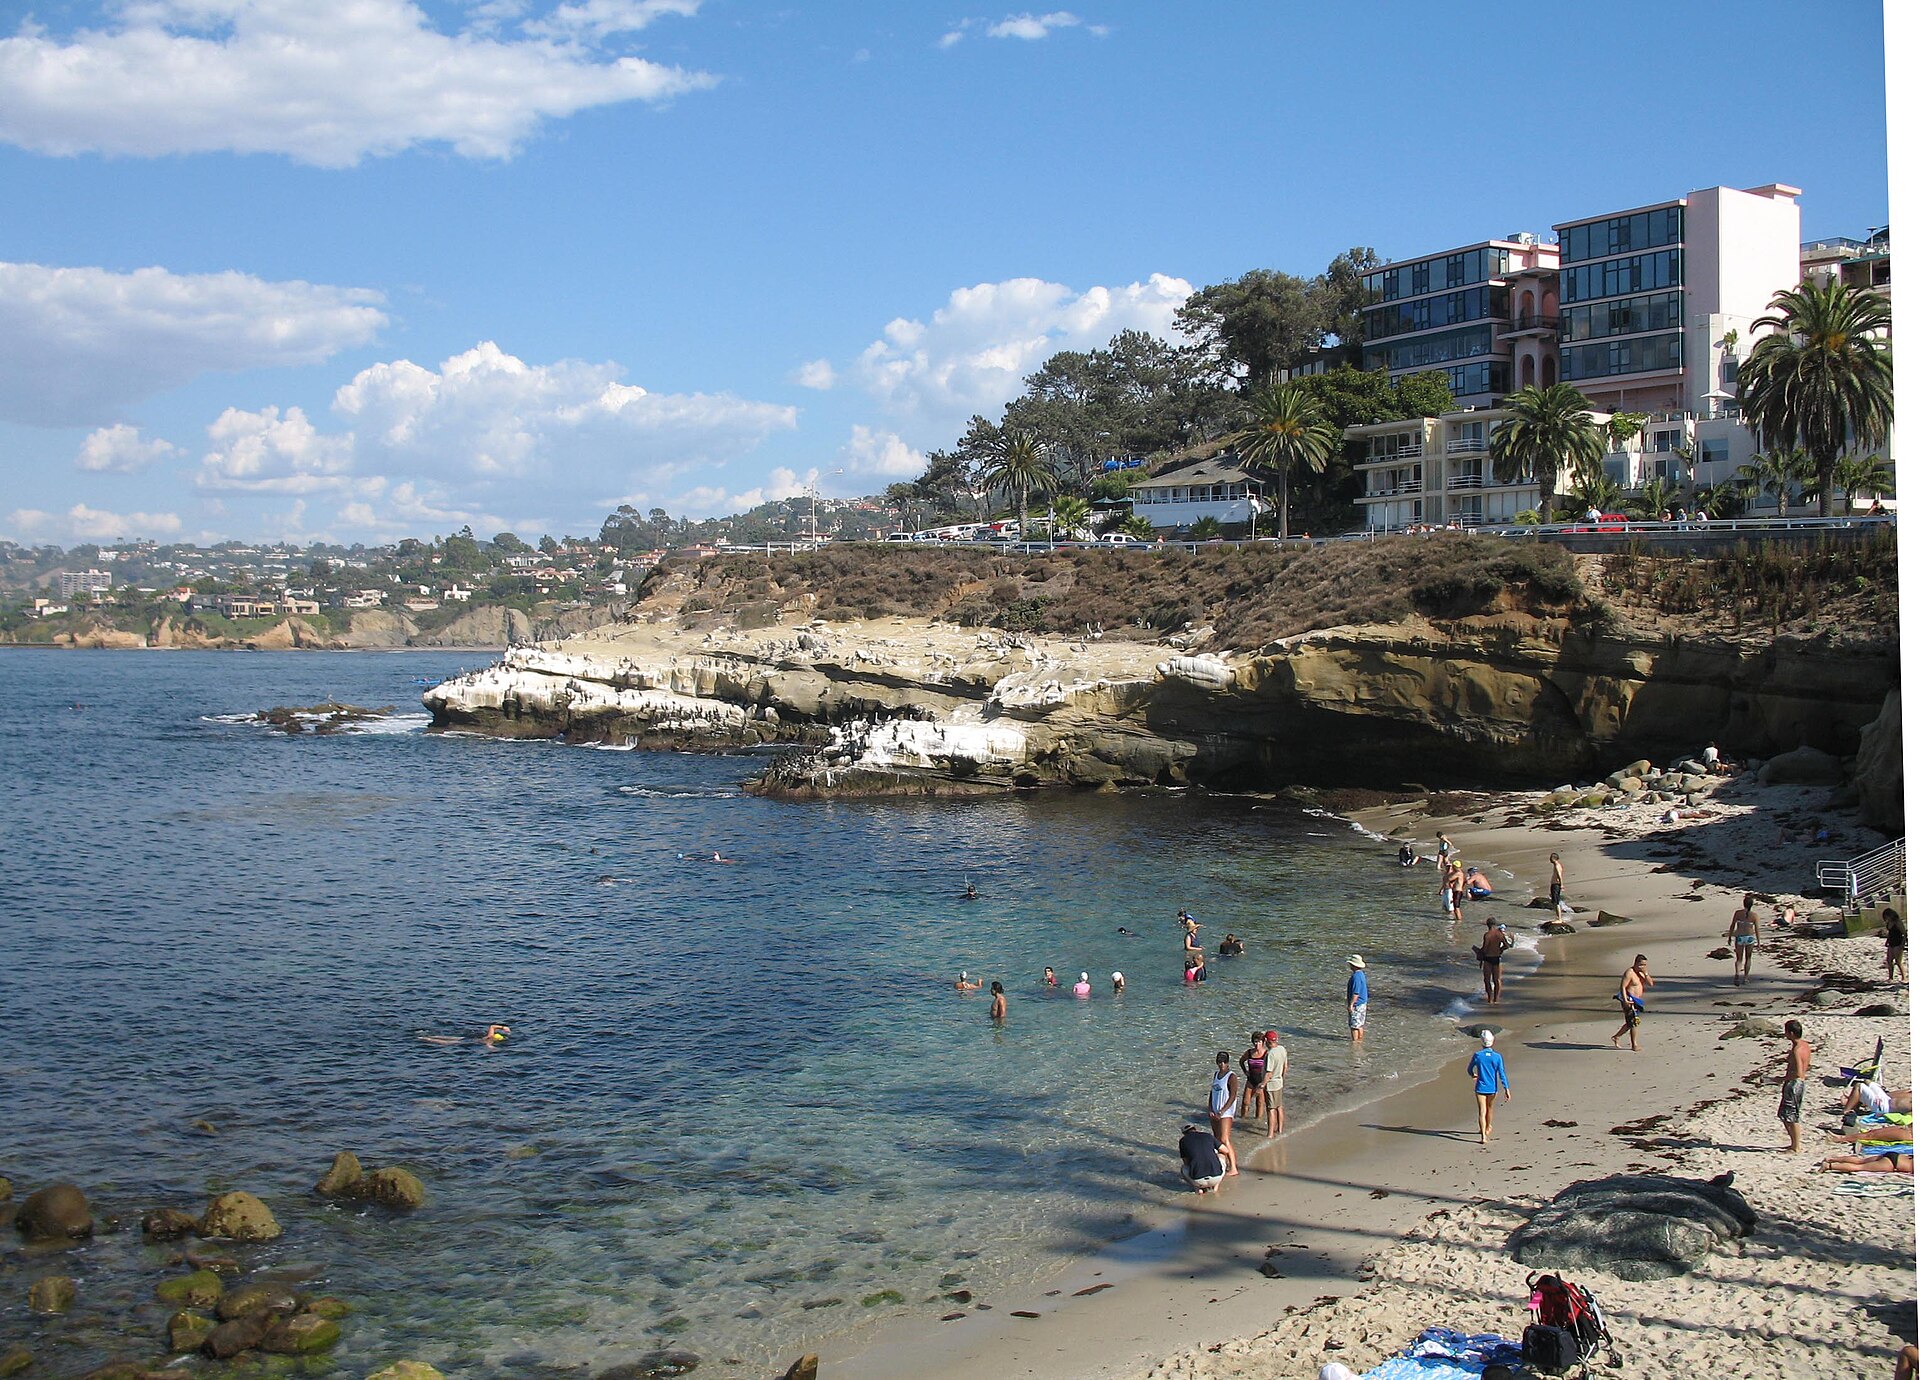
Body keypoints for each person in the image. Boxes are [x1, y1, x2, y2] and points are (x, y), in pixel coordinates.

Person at [1468, 1030, 1511, 1145]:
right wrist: (1506, 1088)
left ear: (1481, 1042)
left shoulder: (1478, 1055)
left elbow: (1469, 1069)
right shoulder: (1497, 1057)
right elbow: (1501, 1074)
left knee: (1482, 1111)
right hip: (1492, 1088)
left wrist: (1473, 1075)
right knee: (1490, 1109)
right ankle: (1487, 1128)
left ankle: (1483, 1137)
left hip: (1480, 1088)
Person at [1779, 1019, 1811, 1153]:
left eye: (1786, 1032)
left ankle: (1796, 1146)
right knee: (1785, 1114)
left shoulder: (1797, 1049)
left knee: (1791, 1116)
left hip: (1794, 1084)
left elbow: (1798, 1072)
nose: (1785, 1034)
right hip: (1798, 1083)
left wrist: (1780, 1079)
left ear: (1791, 1033)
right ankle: (1793, 1143)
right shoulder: (1805, 1045)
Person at [1611, 954, 1654, 1051]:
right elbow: (1622, 987)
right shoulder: (1629, 973)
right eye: (1641, 965)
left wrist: (1646, 973)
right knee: (1634, 1022)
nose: (1643, 967)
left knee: (1630, 1023)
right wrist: (1625, 1001)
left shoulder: (1642, 973)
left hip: (1637, 1000)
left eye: (1644, 965)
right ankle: (1634, 1045)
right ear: (1635, 963)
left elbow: (1651, 984)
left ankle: (1616, 1037)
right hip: (1629, 999)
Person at [1206, 1051, 1239, 1175]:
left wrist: (1223, 1110)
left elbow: (1233, 1095)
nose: (1221, 1065)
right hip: (1215, 1111)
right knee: (1217, 1139)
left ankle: (1233, 1167)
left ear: (1227, 1062)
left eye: (1224, 1062)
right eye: (1219, 1062)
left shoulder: (1231, 1076)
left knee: (1225, 1139)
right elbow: (1212, 1093)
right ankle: (1222, 1164)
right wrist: (1210, 1109)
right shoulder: (1216, 1075)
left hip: (1226, 1112)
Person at [1178, 1122, 1230, 1193]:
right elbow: (1226, 1150)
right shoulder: (1208, 1136)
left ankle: (1197, 1189)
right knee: (1221, 1155)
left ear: (1184, 1133)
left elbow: (1186, 1162)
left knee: (1183, 1168)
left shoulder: (1182, 1141)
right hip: (1216, 1178)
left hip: (1198, 1181)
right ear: (1195, 1129)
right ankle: (1215, 1186)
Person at [1725, 893, 1761, 985]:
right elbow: (1756, 929)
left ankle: (1737, 974)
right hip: (1749, 937)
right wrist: (1759, 941)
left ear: (1743, 904)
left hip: (1740, 937)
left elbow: (1732, 925)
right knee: (1748, 958)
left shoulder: (1738, 913)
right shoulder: (1754, 915)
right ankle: (1745, 978)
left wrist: (1729, 936)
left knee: (1739, 958)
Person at [1476, 918, 1512, 1004]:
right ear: (1495, 924)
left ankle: (1489, 999)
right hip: (1496, 958)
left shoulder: (1487, 935)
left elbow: (1485, 949)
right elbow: (1507, 946)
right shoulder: (1500, 934)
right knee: (1497, 980)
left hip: (1488, 959)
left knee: (1487, 980)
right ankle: (1496, 999)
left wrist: (1479, 952)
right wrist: (1500, 950)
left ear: (1487, 925)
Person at [1238, 1031, 1268, 1123]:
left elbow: (1271, 1068)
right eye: (1255, 1042)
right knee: (1245, 1102)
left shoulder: (1266, 1054)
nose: (1257, 1044)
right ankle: (1242, 1121)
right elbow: (1241, 1061)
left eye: (1259, 1042)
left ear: (1263, 1042)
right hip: (1250, 1080)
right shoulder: (1249, 1053)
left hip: (1261, 1081)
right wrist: (1245, 1071)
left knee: (1259, 1103)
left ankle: (1257, 1122)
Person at [1263, 1029, 1287, 1137]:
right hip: (1279, 1082)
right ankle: (1280, 1129)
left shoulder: (1270, 1054)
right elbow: (1285, 1066)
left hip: (1271, 1084)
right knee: (1279, 1106)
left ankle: (1270, 1133)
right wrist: (1282, 1077)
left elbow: (1269, 1073)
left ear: (1267, 1040)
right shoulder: (1282, 1049)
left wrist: (1262, 1084)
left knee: (1271, 1108)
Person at [1820, 1150, 1914, 1174]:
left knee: (1860, 1161)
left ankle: (1831, 1159)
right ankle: (1829, 1166)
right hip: (1893, 1164)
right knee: (1859, 1168)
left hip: (1897, 1155)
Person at [420, 1023, 510, 1046]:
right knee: (446, 1043)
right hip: (466, 1042)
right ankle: (425, 1038)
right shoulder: (489, 1040)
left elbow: (492, 1026)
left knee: (447, 1038)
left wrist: (503, 1027)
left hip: (463, 1039)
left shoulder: (489, 1036)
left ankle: (426, 1036)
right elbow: (489, 1046)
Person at [1346, 955, 1368, 1044]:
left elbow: (1356, 993)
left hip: (1357, 1004)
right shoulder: (1361, 974)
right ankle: (1360, 1041)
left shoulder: (1356, 977)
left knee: (1354, 1026)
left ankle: (1355, 1044)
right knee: (1360, 1025)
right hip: (1362, 1003)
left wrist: (1351, 1005)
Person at [1884, 908, 1907, 983]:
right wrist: (1887, 941)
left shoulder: (1897, 922)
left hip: (1898, 942)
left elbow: (1904, 933)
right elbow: (1890, 933)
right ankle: (1890, 977)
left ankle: (1904, 977)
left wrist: (1902, 944)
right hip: (1891, 942)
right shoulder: (1888, 923)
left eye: (1887, 916)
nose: (1886, 918)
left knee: (1898, 961)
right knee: (1889, 960)